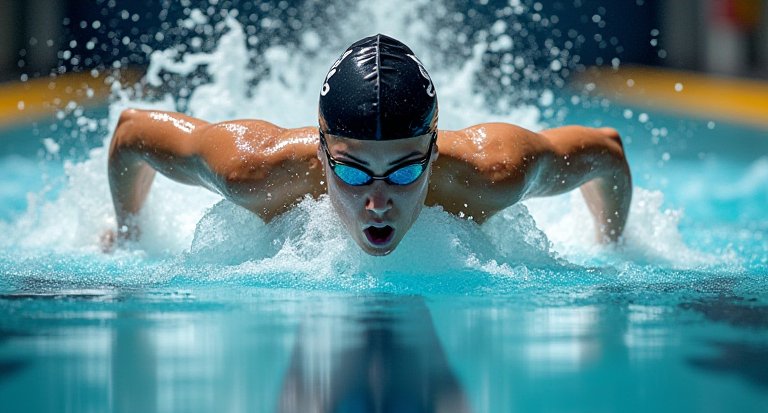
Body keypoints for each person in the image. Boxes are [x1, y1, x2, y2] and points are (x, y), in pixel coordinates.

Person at [103, 34, 631, 256]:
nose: (378, 202)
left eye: (404, 172)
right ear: (320, 152)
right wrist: (128, 232)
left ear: (434, 153)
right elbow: (131, 133)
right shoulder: (252, 169)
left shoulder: (493, 172)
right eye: (353, 172)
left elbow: (606, 152)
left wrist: (610, 246)